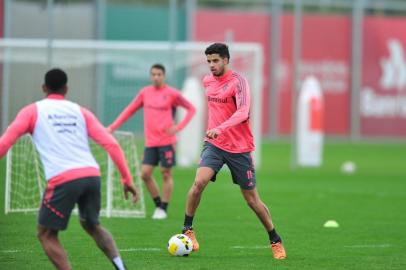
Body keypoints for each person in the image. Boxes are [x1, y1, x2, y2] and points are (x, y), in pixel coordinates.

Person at [0, 69, 138, 270]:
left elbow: (5, 142)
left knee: (46, 234)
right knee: (92, 225)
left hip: (64, 179)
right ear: (66, 88)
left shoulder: (32, 111)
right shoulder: (80, 111)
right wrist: (127, 179)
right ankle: (121, 267)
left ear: (44, 88)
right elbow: (112, 144)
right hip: (92, 175)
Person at [181, 43, 287, 259]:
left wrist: (220, 128)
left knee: (252, 200)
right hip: (214, 145)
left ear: (226, 60)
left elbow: (243, 112)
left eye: (215, 61)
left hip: (239, 148)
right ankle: (187, 230)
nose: (211, 65)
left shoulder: (239, 82)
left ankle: (275, 239)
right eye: (208, 61)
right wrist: (215, 132)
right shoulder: (207, 81)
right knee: (199, 182)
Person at [108, 64, 196, 219]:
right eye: (153, 74)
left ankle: (164, 207)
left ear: (164, 76)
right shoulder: (145, 93)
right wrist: (113, 127)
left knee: (166, 173)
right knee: (145, 174)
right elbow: (129, 110)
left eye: (159, 74)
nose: (156, 77)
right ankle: (158, 206)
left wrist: (178, 127)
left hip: (167, 141)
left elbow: (191, 109)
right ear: (150, 76)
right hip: (151, 142)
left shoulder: (172, 94)